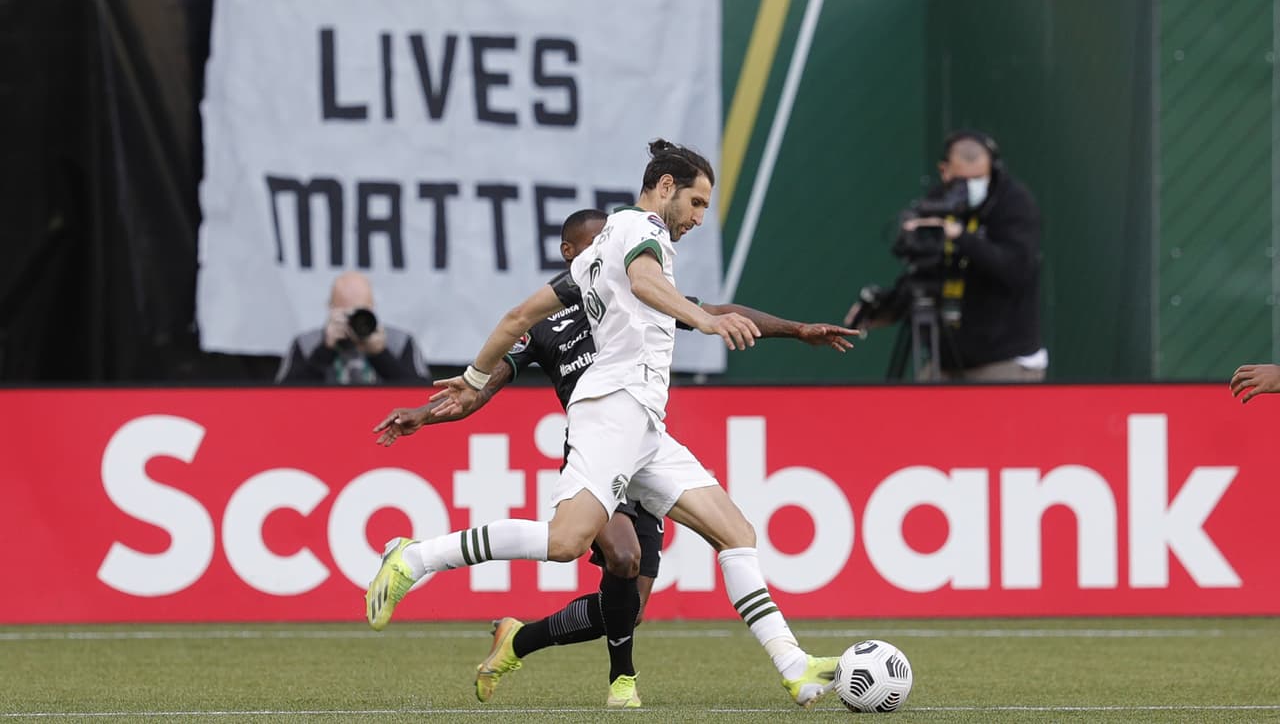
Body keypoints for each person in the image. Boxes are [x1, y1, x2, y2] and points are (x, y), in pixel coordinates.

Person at [364, 139, 857, 710]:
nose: (699, 218)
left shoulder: (592, 258)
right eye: (696, 202)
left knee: (736, 534)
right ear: (665, 187)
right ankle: (413, 558)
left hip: (645, 423)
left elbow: (517, 316)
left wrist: (474, 377)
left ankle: (794, 667)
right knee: (565, 541)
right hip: (613, 407)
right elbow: (647, 283)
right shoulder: (639, 230)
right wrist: (702, 319)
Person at [848, 130, 1045, 381]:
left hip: (1004, 359)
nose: (969, 188)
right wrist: (890, 306)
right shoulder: (939, 202)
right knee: (915, 413)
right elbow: (925, 271)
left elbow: (1015, 270)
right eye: (962, 181)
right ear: (945, 171)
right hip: (949, 358)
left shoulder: (1014, 205)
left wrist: (960, 236)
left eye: (979, 179)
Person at [275, 271, 431, 385]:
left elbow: (421, 397)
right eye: (345, 314)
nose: (352, 323)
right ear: (330, 307)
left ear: (372, 307)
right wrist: (325, 351)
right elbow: (283, 397)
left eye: (360, 313)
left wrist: (380, 355)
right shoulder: (306, 344)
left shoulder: (399, 342)